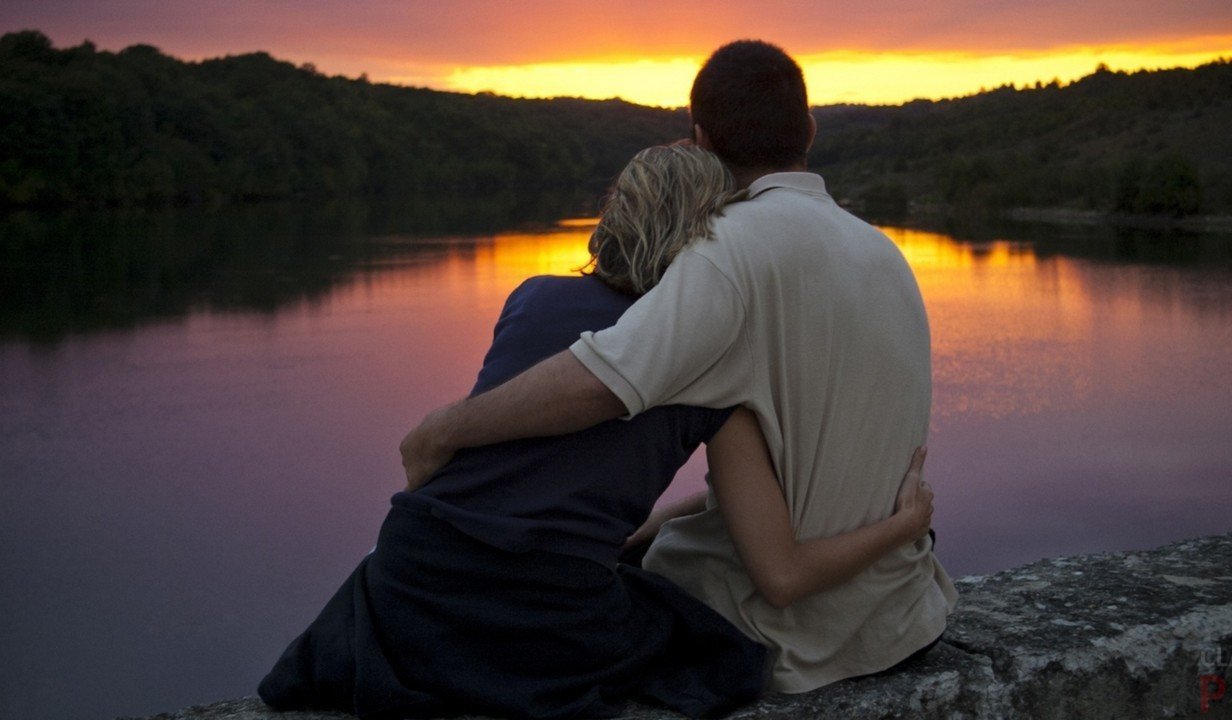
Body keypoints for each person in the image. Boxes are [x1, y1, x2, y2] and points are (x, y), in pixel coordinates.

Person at [260, 144, 936, 720]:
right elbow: (780, 572)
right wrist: (902, 525)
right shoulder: (711, 361)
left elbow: (539, 473)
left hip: (407, 578)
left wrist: (633, 534)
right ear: (712, 237)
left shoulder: (530, 296)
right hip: (539, 610)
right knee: (716, 650)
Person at [399, 40, 958, 693]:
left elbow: (600, 380)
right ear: (809, 128)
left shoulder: (727, 250)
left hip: (791, 638)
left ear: (699, 139)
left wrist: (444, 430)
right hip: (902, 618)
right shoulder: (885, 254)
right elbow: (796, 476)